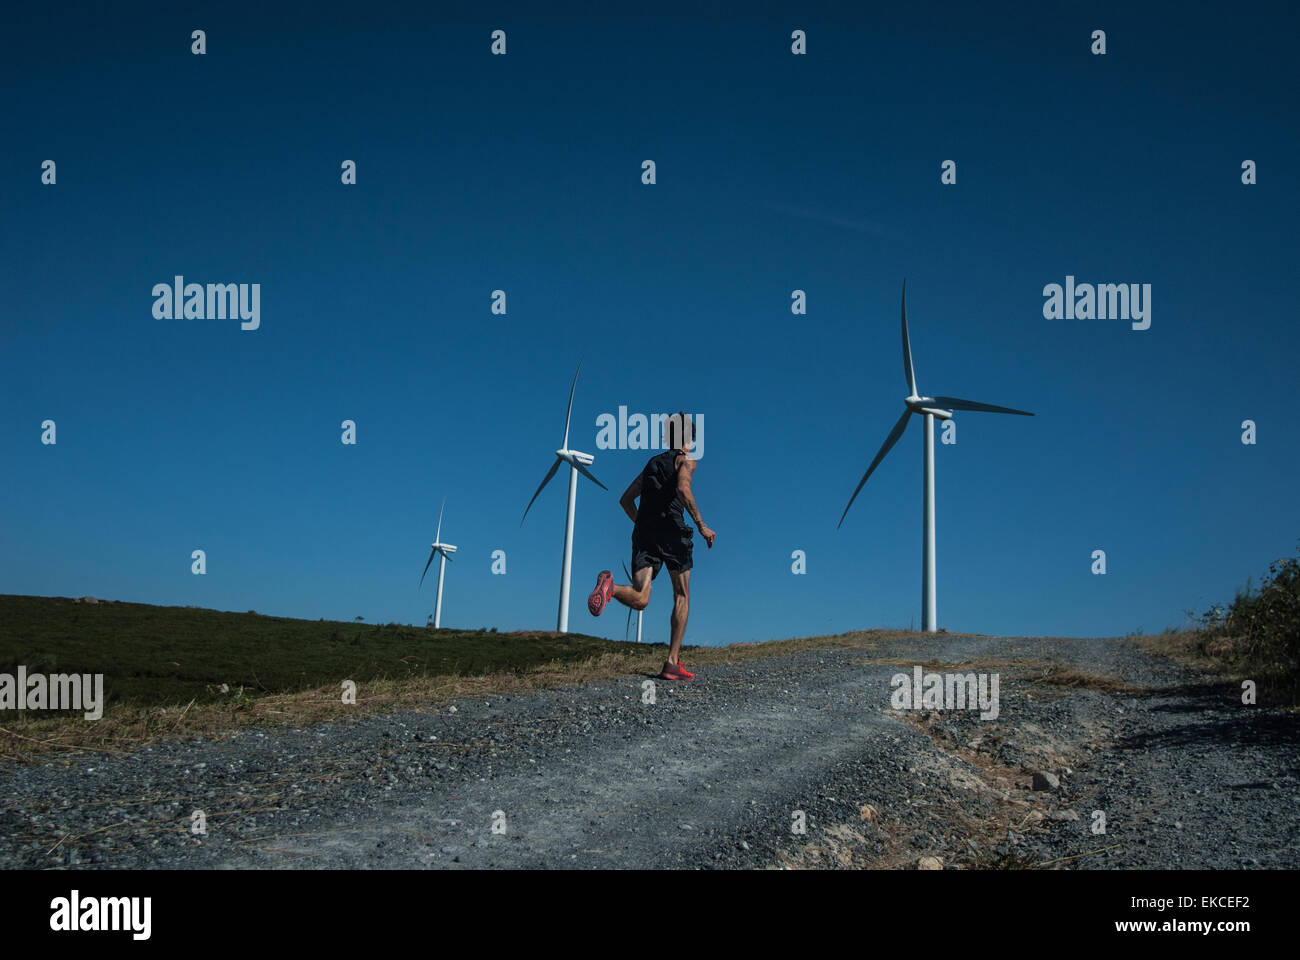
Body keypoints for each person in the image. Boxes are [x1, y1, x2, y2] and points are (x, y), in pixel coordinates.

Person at [587, 412, 715, 680]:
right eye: (692, 437)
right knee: (682, 596)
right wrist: (701, 524)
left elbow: (625, 500)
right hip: (673, 532)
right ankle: (671, 662)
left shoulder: (650, 465)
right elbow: (683, 489)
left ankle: (610, 589)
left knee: (641, 597)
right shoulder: (686, 460)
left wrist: (641, 525)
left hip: (644, 533)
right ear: (685, 439)